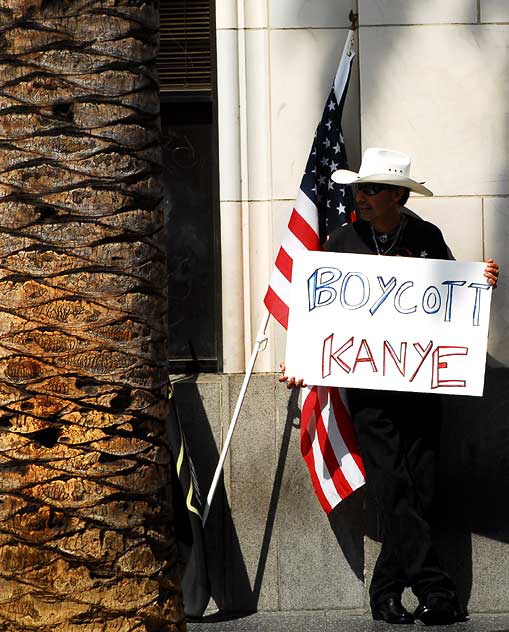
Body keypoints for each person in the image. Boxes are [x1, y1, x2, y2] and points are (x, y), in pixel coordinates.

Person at [280, 148, 499, 625]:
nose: (361, 197)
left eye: (372, 189)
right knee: (391, 481)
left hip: (421, 386)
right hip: (368, 390)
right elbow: (317, 308)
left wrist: (481, 282)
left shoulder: (426, 236)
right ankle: (436, 588)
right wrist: (301, 358)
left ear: (398, 195)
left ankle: (384, 593)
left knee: (419, 486)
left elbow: (453, 299)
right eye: (358, 188)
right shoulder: (342, 240)